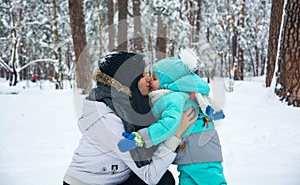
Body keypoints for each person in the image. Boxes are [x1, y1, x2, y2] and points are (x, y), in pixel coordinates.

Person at [63, 52, 198, 185]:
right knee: (163, 181)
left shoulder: (128, 107)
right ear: (129, 81)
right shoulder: (109, 120)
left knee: (165, 178)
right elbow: (149, 175)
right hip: (87, 183)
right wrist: (176, 134)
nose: (148, 79)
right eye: (142, 76)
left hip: (116, 178)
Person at [118, 57, 227, 185]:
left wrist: (140, 138)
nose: (150, 82)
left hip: (200, 154)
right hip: (193, 155)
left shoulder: (173, 97)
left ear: (167, 81)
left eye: (154, 78)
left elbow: (168, 125)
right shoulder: (174, 96)